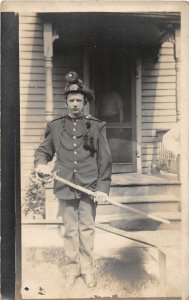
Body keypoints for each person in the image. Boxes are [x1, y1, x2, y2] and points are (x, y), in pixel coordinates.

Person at [34, 71, 112, 288]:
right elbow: (44, 150)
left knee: (86, 228)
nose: (75, 104)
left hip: (89, 186)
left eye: (79, 100)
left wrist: (103, 187)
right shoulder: (56, 125)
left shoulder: (96, 126)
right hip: (65, 184)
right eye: (71, 100)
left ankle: (87, 270)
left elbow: (105, 159)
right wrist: (41, 163)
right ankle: (71, 269)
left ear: (85, 102)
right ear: (66, 102)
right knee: (70, 229)